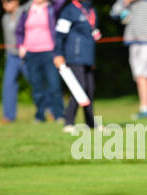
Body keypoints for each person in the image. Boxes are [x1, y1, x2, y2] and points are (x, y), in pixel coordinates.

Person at [16, 0, 66, 123]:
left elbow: (61, 1)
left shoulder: (51, 8)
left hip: (49, 52)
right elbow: (19, 31)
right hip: (31, 54)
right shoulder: (27, 10)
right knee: (37, 88)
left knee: (54, 85)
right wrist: (21, 45)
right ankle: (40, 115)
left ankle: (59, 115)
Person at [54, 0, 100, 133]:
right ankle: (68, 122)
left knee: (90, 88)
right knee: (79, 88)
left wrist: (92, 60)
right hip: (74, 55)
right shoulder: (69, 10)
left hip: (88, 56)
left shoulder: (92, 9)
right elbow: (60, 34)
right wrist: (58, 53)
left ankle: (90, 123)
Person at [1, 0, 27, 124]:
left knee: (37, 82)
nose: (6, 4)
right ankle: (8, 116)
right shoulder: (5, 18)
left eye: (9, 1)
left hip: (26, 55)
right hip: (11, 56)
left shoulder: (24, 11)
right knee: (8, 84)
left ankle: (51, 111)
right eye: (4, 2)